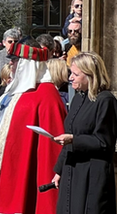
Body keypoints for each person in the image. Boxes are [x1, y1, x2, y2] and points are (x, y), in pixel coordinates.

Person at [0, 42, 66, 214]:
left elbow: (50, 149)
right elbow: (9, 126)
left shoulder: (47, 95)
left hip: (19, 172)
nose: (10, 64)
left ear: (27, 63)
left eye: (15, 60)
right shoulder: (13, 91)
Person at [52, 52, 117, 214]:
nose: (70, 78)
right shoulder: (78, 98)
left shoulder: (105, 100)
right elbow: (70, 132)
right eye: (70, 73)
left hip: (92, 174)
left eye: (75, 74)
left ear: (90, 75)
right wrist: (59, 170)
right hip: (71, 170)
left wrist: (74, 140)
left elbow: (104, 142)